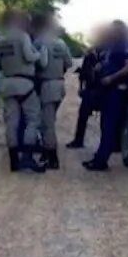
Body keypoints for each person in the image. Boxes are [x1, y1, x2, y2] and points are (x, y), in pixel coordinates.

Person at [0, 9, 46, 173]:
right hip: (25, 84)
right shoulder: (23, 36)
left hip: (7, 84)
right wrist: (38, 54)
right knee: (33, 120)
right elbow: (29, 57)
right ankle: (27, 158)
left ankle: (14, 161)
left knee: (11, 123)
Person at [83, 21, 128, 171]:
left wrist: (112, 77)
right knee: (105, 125)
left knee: (109, 126)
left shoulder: (123, 45)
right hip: (107, 90)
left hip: (116, 90)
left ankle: (101, 161)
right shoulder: (112, 45)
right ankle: (100, 157)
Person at [34, 13, 74, 169]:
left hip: (46, 85)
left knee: (47, 123)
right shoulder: (61, 43)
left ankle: (52, 157)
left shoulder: (39, 42)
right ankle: (46, 152)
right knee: (49, 120)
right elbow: (69, 63)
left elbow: (32, 62)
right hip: (59, 84)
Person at [66, 25, 107, 149]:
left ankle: (105, 144)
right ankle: (78, 141)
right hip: (91, 89)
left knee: (103, 120)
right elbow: (83, 73)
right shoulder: (91, 55)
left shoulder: (106, 54)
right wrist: (81, 87)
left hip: (102, 89)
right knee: (83, 116)